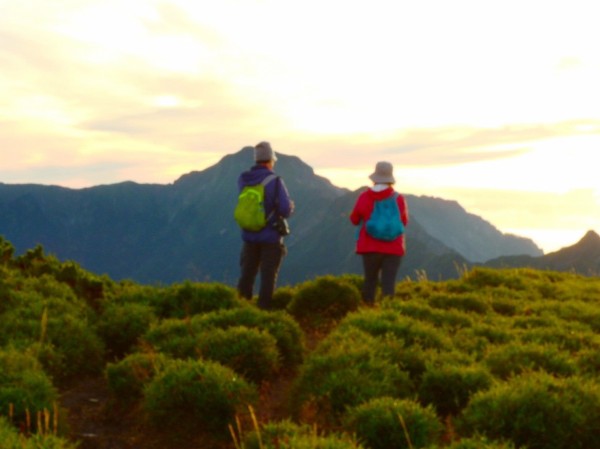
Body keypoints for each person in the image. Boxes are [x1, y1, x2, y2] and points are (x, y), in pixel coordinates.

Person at [236, 141, 294, 309]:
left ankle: (242, 309)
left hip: (248, 235)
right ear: (270, 160)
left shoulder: (243, 179)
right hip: (270, 237)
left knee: (247, 275)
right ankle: (263, 311)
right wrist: (290, 206)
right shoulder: (275, 181)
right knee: (268, 277)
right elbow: (284, 209)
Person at [350, 161, 409, 304]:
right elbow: (404, 222)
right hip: (394, 248)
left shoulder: (364, 197)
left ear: (375, 177)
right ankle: (388, 314)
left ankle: (367, 312)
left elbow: (354, 219)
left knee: (370, 281)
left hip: (369, 247)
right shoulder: (398, 198)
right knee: (389, 284)